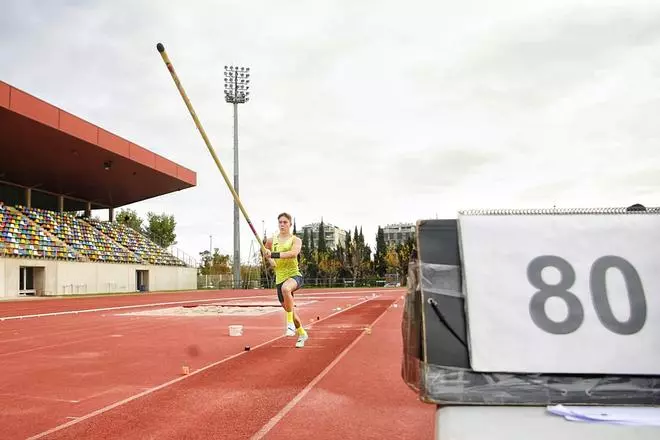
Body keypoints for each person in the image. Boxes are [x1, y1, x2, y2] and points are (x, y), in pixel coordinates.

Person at [263, 212, 309, 348]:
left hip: (294, 275)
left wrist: (274, 254)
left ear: (290, 224)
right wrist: (270, 259)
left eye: (285, 222)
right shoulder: (272, 240)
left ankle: (288, 325)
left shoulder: (296, 240)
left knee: (286, 288)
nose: (282, 224)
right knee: (292, 312)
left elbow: (293, 253)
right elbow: (265, 251)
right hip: (279, 278)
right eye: (280, 222)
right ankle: (302, 333)